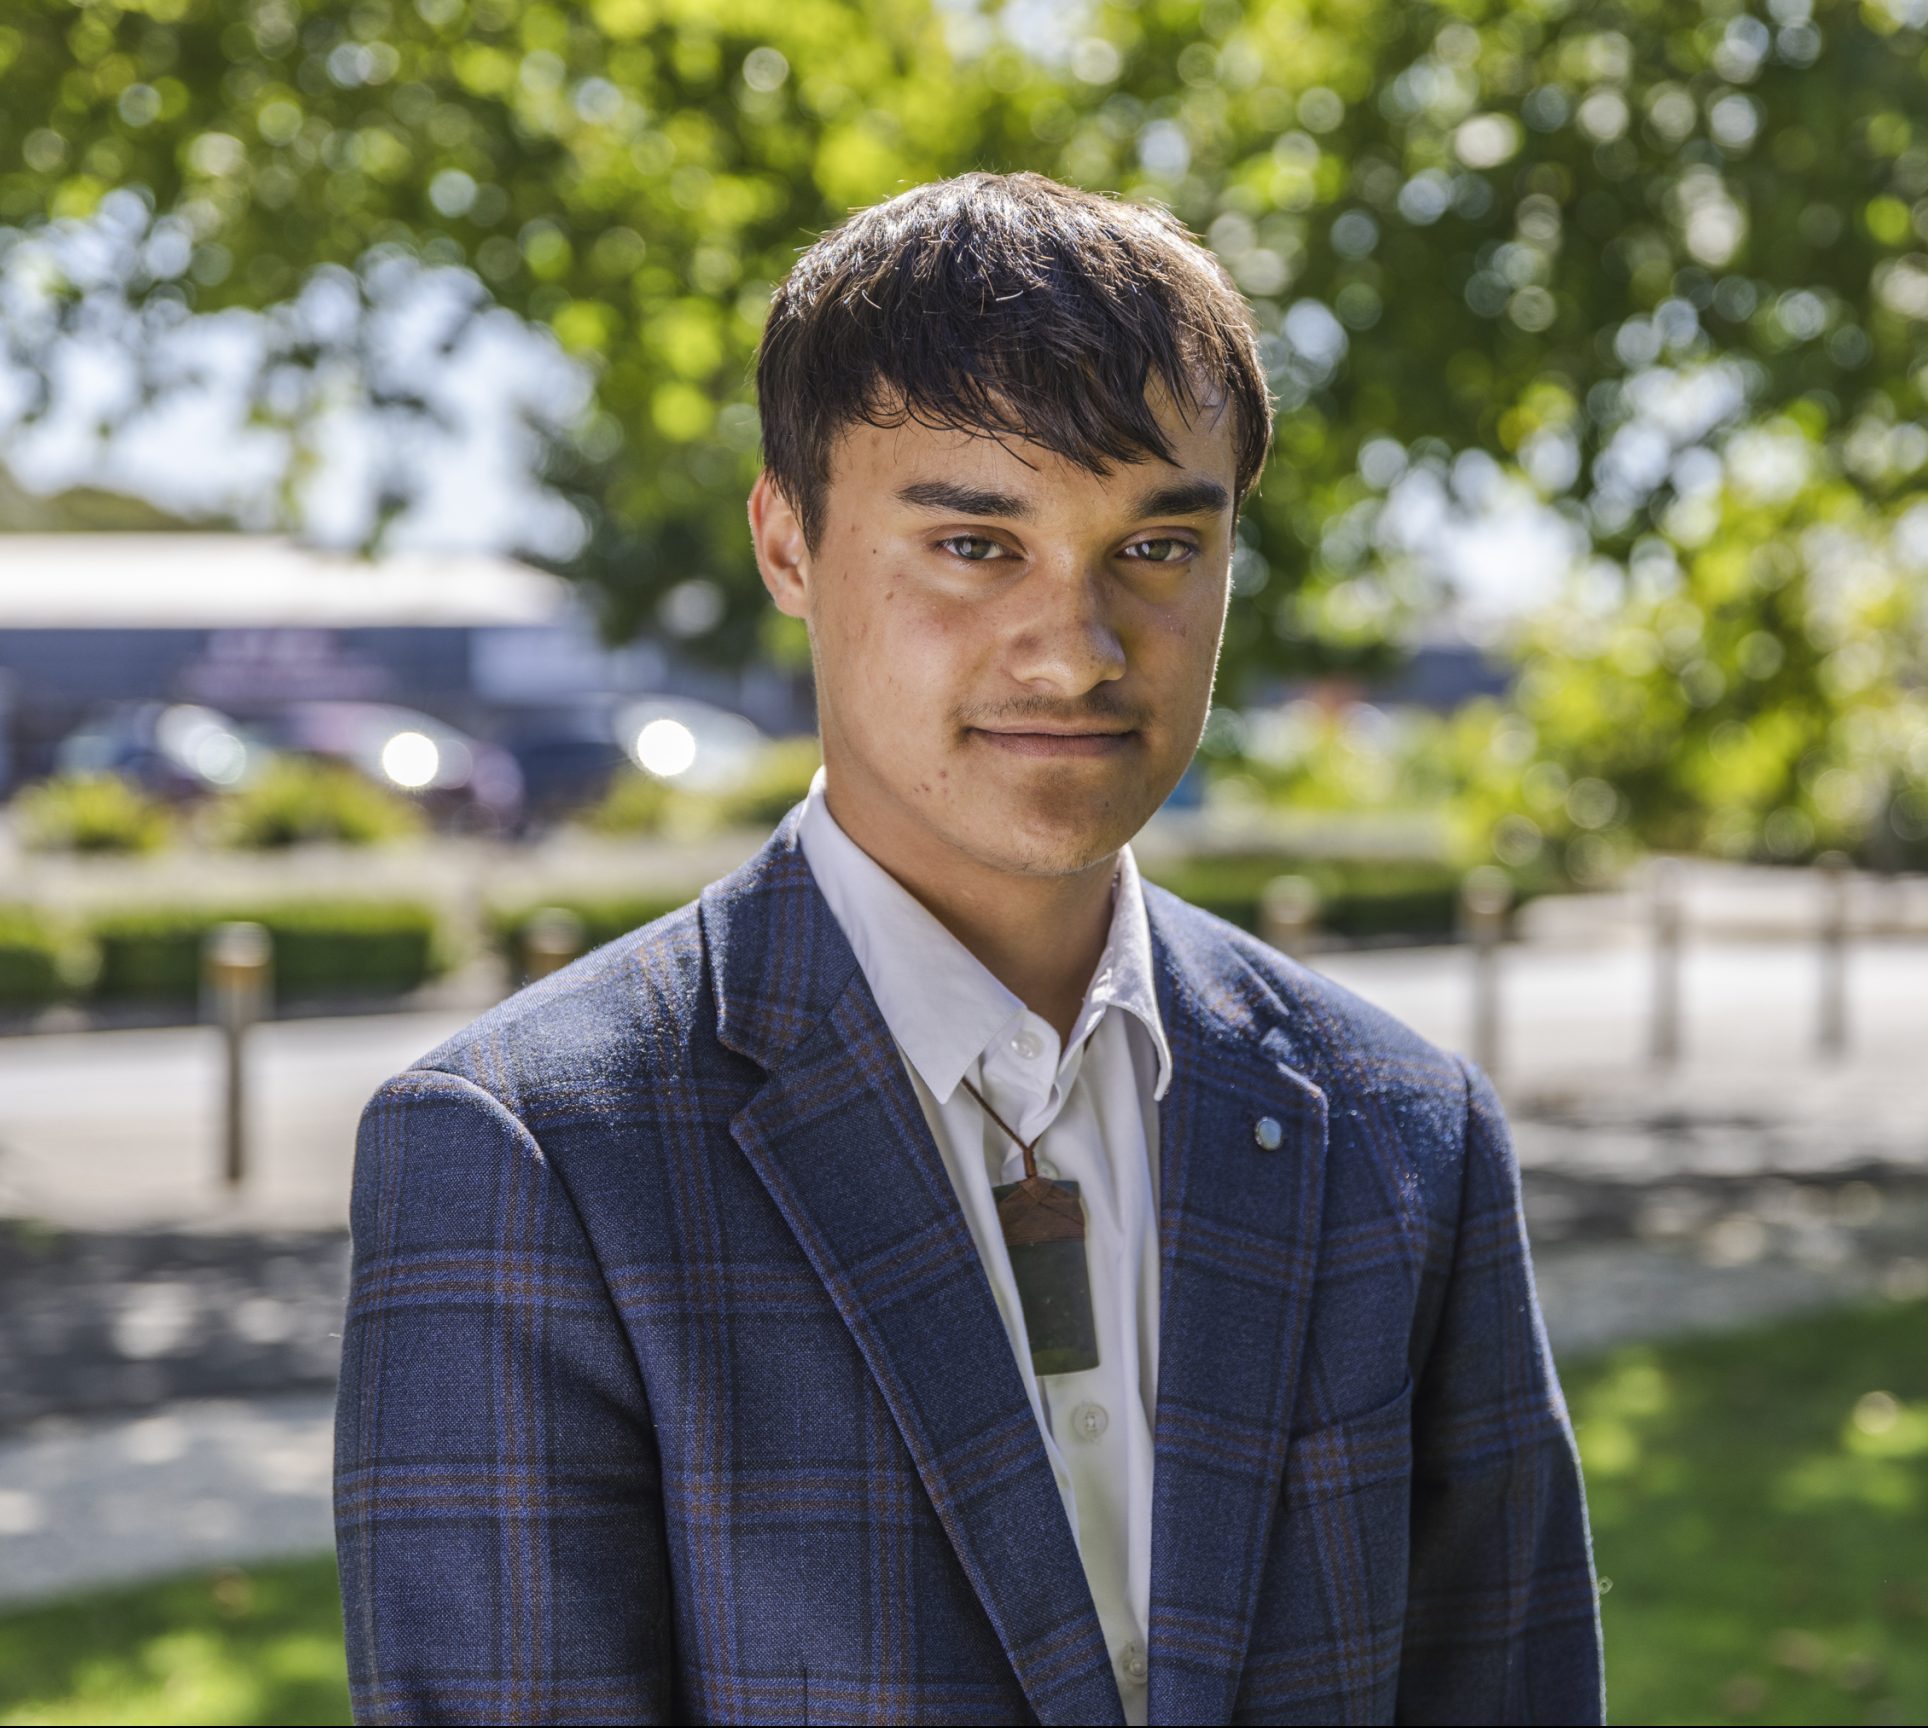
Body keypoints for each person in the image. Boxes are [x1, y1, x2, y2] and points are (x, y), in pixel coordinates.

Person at [333, 171, 1602, 1726]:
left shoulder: (1408, 1130)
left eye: (1155, 547)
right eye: (975, 545)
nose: (1075, 649)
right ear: (788, 543)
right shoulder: (531, 1157)